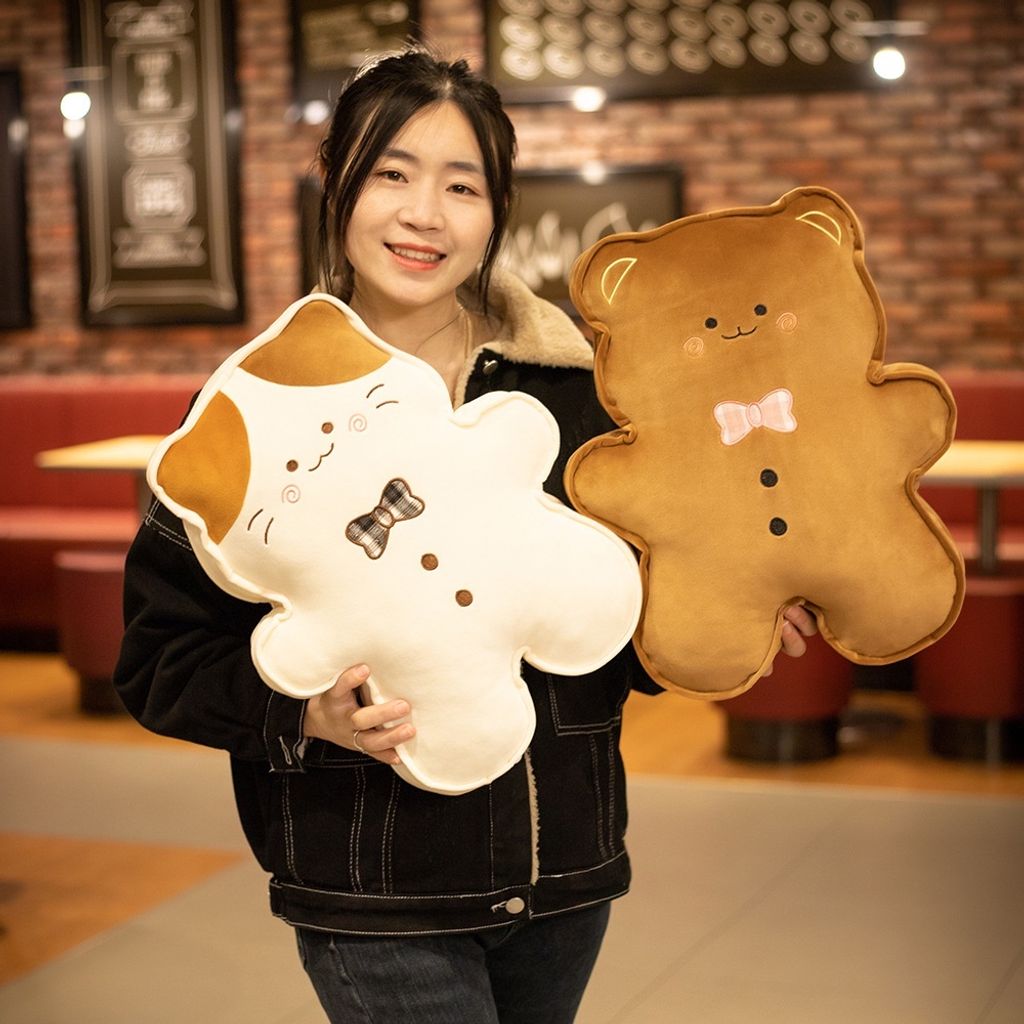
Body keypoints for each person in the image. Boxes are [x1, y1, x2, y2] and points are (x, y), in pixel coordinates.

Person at [113, 48, 816, 1024]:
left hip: (564, 866)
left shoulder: (575, 388)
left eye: (462, 185)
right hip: (370, 876)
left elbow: (614, 617)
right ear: (337, 187)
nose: (424, 214)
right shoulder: (257, 411)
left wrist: (733, 606)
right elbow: (159, 657)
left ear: (496, 210)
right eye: (391, 173)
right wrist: (302, 715)